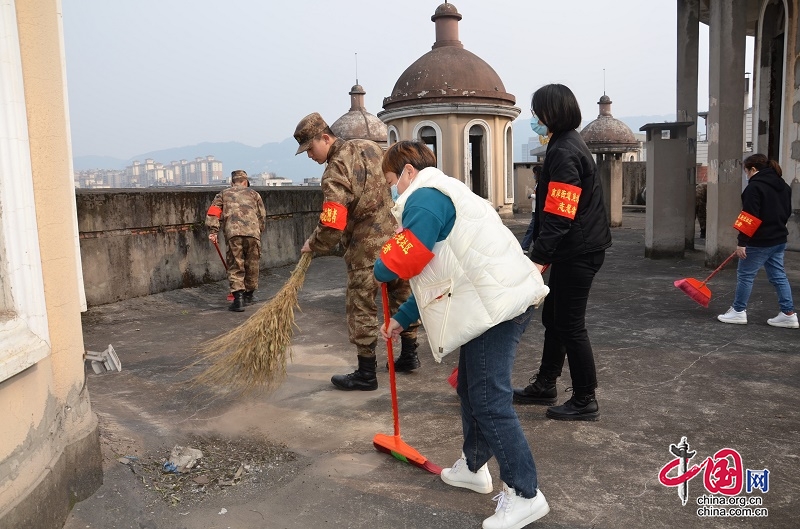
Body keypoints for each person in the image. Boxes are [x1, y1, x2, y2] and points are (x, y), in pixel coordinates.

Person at [374, 141, 551, 529]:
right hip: (490, 301)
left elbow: (407, 256)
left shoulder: (425, 196)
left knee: (489, 400)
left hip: (497, 307)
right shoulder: (445, 192)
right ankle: (474, 468)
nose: (392, 189)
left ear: (406, 171)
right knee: (471, 389)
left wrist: (380, 266)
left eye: (391, 180)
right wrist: (403, 318)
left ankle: (526, 494)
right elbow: (442, 275)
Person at [293, 112, 419, 391]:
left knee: (361, 306)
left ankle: (365, 374)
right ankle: (410, 355)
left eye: (311, 149)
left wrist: (313, 243)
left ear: (325, 137)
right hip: (399, 240)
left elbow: (332, 222)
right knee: (403, 295)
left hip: (366, 250)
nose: (310, 156)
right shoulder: (372, 147)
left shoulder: (336, 168)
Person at [513, 84, 612, 421]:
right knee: (553, 318)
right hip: (575, 249)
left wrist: (539, 256)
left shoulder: (564, 151)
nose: (534, 119)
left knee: (570, 325)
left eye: (537, 112)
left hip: (578, 251)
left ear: (550, 113)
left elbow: (559, 213)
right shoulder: (564, 143)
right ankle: (545, 384)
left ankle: (586, 398)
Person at [717, 154, 797, 328]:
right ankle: (788, 314)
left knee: (745, 275)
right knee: (779, 276)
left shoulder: (754, 188)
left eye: (746, 171)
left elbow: (749, 217)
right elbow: (786, 212)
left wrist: (742, 243)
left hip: (759, 241)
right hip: (779, 239)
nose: (746, 175)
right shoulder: (783, 185)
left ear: (753, 169)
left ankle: (738, 311)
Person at [205, 170, 266, 312]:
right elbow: (262, 215)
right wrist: (258, 231)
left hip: (233, 234)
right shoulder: (254, 194)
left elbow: (213, 212)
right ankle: (249, 295)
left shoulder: (223, 194)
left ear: (232, 182)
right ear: (246, 182)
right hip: (252, 233)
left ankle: (238, 299)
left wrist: (213, 231)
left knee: (236, 263)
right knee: (252, 264)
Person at [520, 165, 541, 252]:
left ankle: (525, 247)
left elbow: (540, 195)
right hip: (535, 209)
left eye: (535, 173)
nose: (534, 175)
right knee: (537, 229)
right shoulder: (538, 183)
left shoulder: (541, 183)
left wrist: (532, 195)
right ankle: (537, 247)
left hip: (537, 209)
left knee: (532, 229)